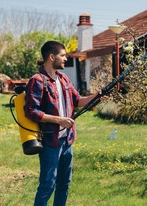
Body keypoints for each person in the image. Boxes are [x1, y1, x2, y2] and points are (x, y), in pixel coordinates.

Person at [24, 41, 107, 206]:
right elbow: (31, 111)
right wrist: (58, 120)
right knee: (48, 184)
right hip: (50, 143)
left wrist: (96, 96)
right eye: (63, 55)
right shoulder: (37, 81)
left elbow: (78, 100)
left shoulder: (63, 78)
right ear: (51, 57)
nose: (65, 59)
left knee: (64, 184)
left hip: (67, 140)